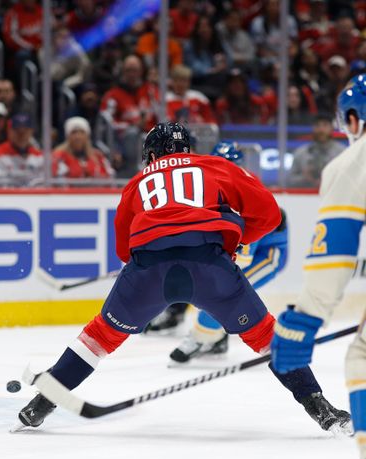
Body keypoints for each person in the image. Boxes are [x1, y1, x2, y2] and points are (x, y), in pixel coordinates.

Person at [17, 123, 282, 430]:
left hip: (148, 272)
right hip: (210, 266)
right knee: (265, 336)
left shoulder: (136, 182)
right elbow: (270, 215)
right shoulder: (216, 166)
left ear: (153, 154)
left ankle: (41, 403)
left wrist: (149, 265)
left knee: (100, 336)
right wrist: (231, 240)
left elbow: (123, 249)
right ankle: (319, 405)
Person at [167, 142, 351, 433]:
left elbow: (243, 251)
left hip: (269, 254)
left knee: (224, 292)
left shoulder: (237, 190)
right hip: (251, 248)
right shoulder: (216, 187)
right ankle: (213, 338)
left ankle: (205, 338)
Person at [270, 75, 366, 459]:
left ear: (351, 118)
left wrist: (305, 320)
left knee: (362, 356)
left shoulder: (352, 164)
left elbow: (334, 259)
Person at [0, 113, 44, 184]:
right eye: (17, 130)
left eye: (25, 130)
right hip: (7, 194)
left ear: (31, 131)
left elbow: (44, 182)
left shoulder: (40, 156)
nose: (21, 134)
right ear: (9, 131)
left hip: (32, 194)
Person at [288, 115, 345, 189]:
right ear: (313, 128)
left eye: (325, 125)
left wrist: (331, 178)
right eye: (317, 125)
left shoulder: (342, 152)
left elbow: (349, 179)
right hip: (305, 197)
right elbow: (289, 181)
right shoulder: (301, 153)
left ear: (332, 128)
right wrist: (304, 178)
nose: (321, 129)